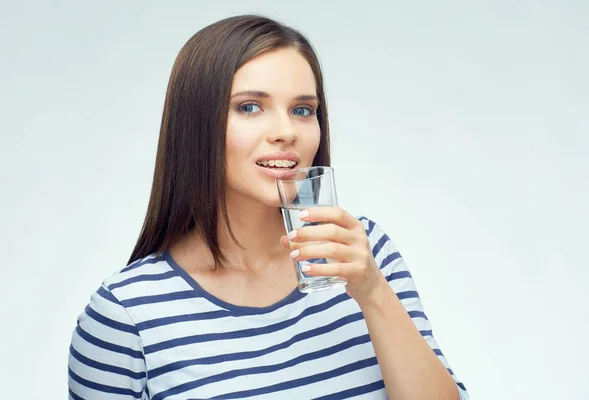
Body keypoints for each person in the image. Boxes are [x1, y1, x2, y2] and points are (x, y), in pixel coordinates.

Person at [68, 14, 469, 400]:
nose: (286, 132)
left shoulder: (363, 252)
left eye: (302, 110)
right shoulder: (125, 314)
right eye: (249, 107)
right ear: (196, 124)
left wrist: (372, 292)